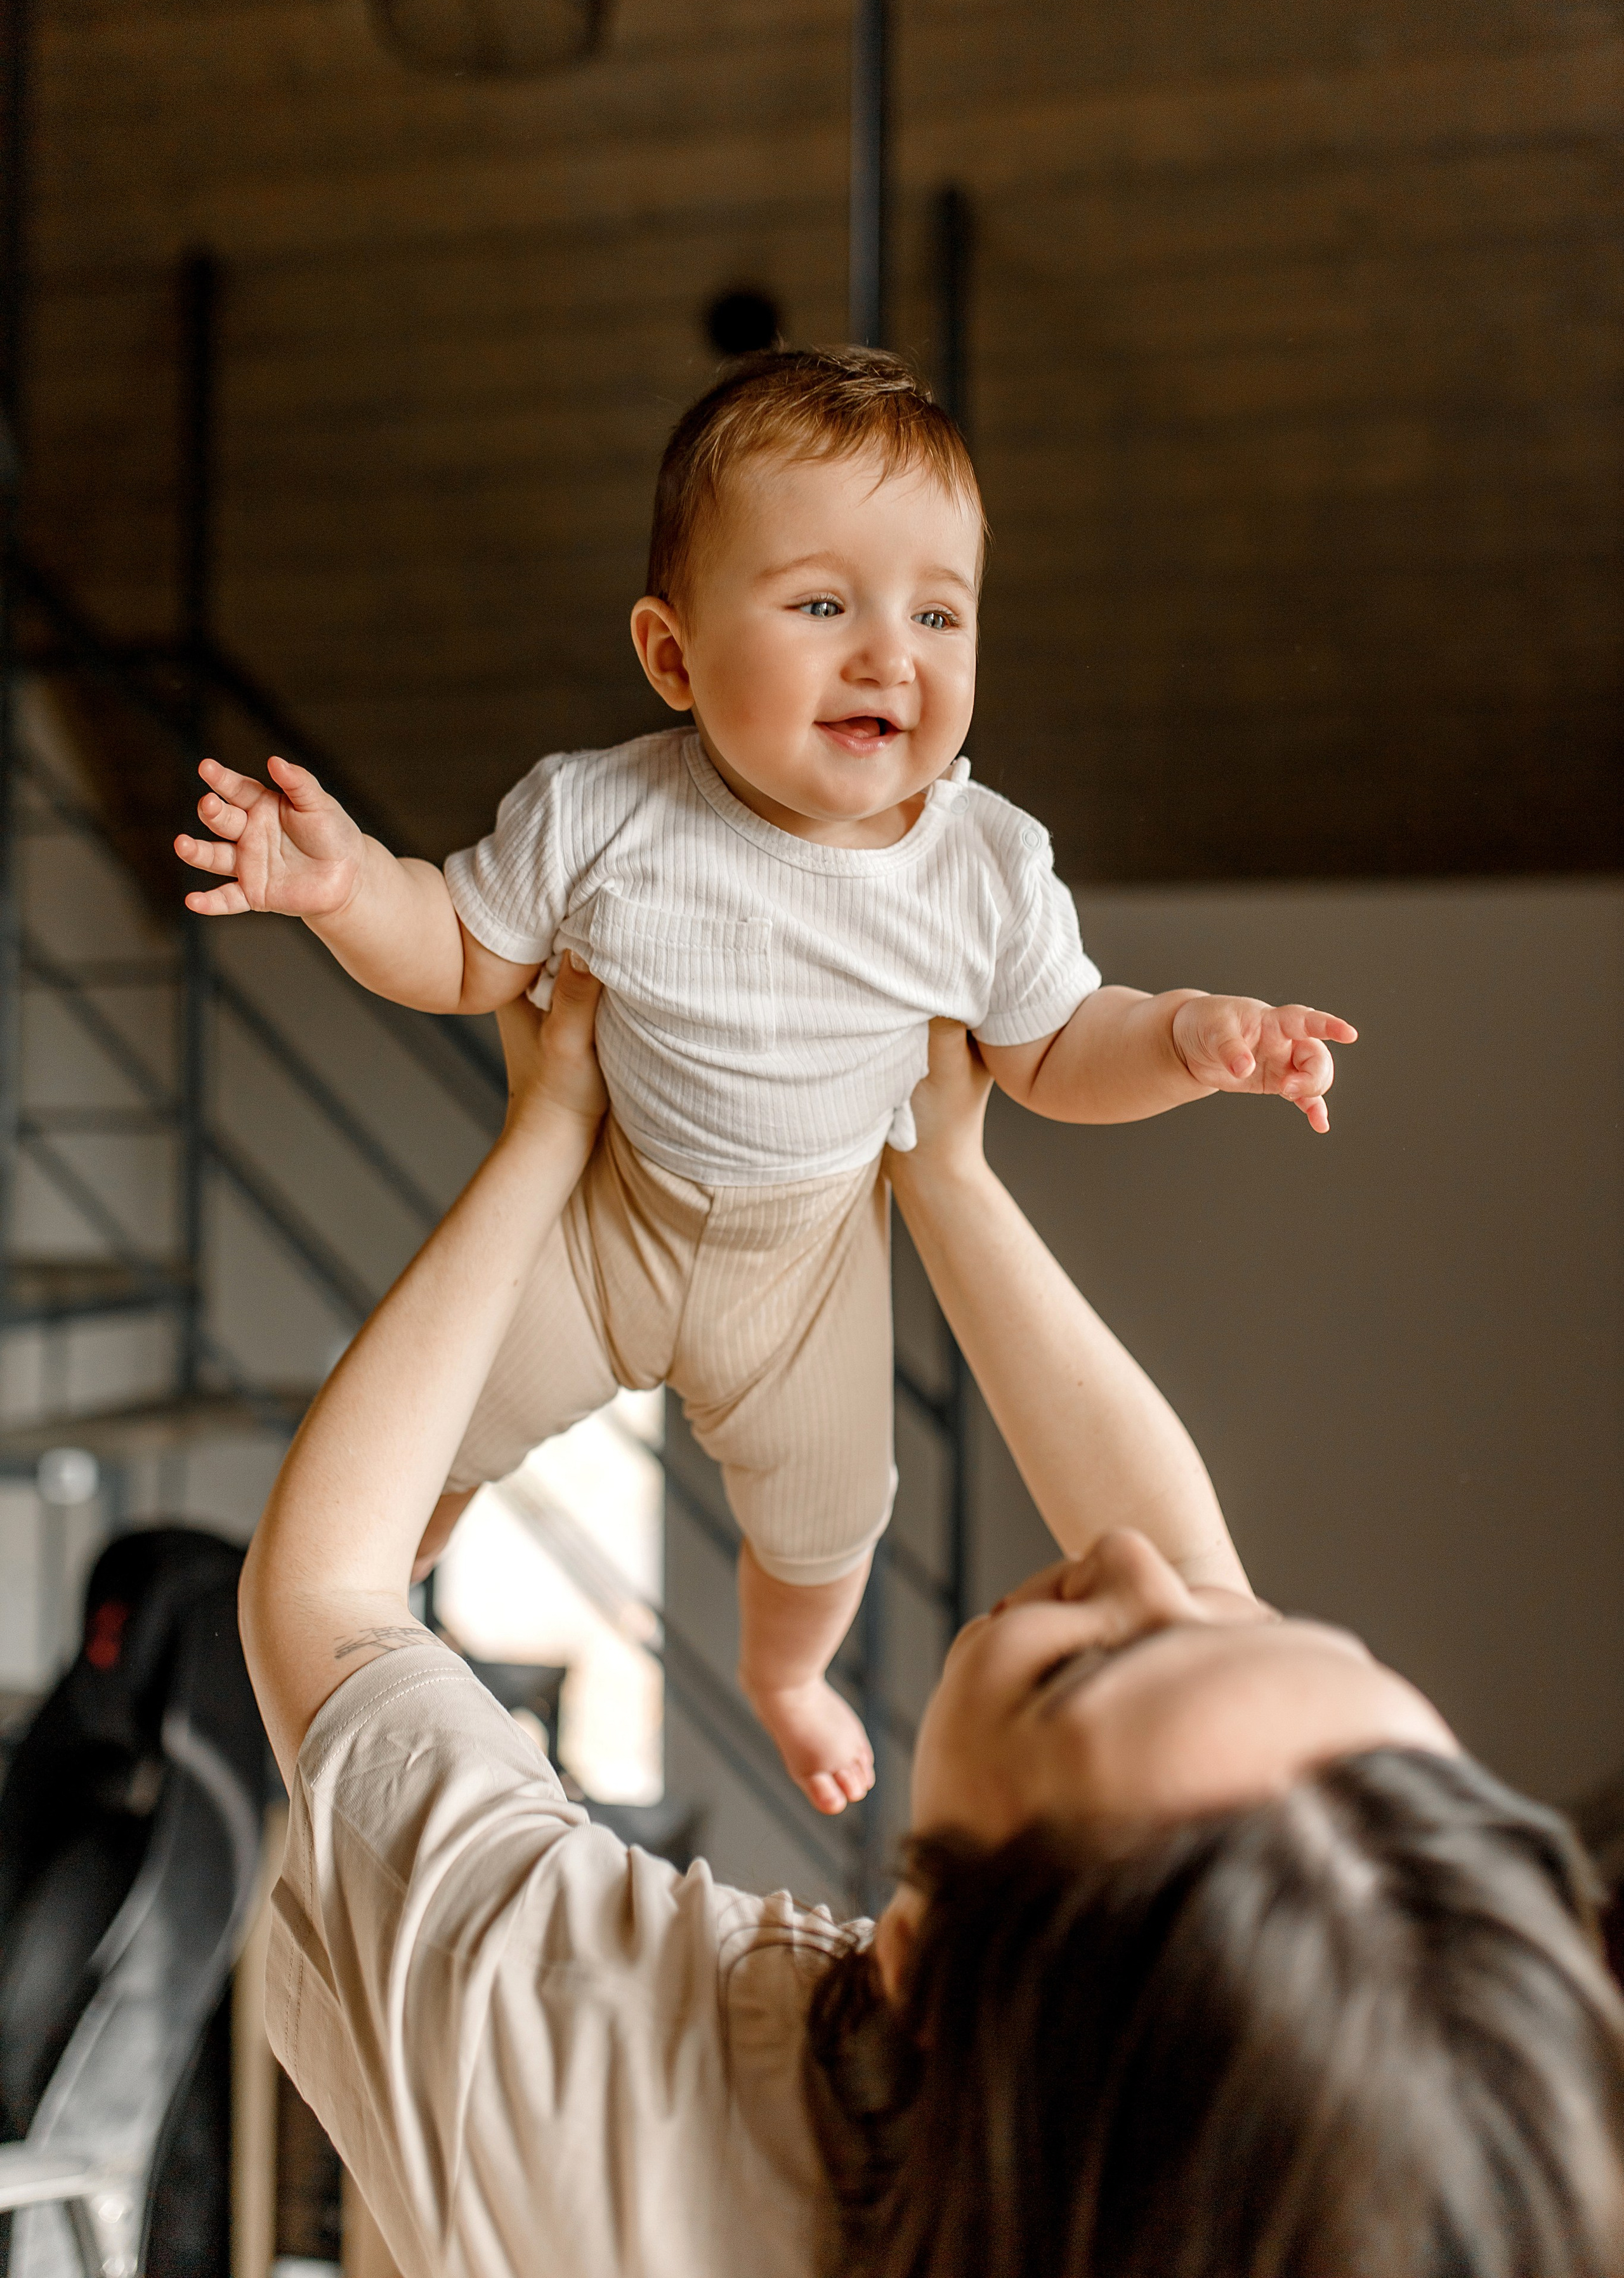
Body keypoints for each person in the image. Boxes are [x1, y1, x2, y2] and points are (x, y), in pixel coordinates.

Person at [241, 965, 1624, 2278]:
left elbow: (329, 1596)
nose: (1134, 1558)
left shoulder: (579, 2068)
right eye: (1275, 1631)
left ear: (921, 1958)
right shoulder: (1196, 2151)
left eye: (1088, 1665)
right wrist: (945, 1176)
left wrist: (544, 1133)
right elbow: (1189, 1627)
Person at [183, 350, 1356, 1816]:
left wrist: (1183, 1039)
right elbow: (465, 954)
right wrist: (350, 889)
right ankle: (370, 1595)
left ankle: (781, 1678)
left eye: (937, 612)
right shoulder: (600, 812)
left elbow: (1051, 1049)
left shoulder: (979, 863)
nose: (889, 655)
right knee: (445, 1426)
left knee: (827, 1527)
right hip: (604, 1231)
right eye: (821, 605)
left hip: (803, 1271)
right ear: (672, 658)